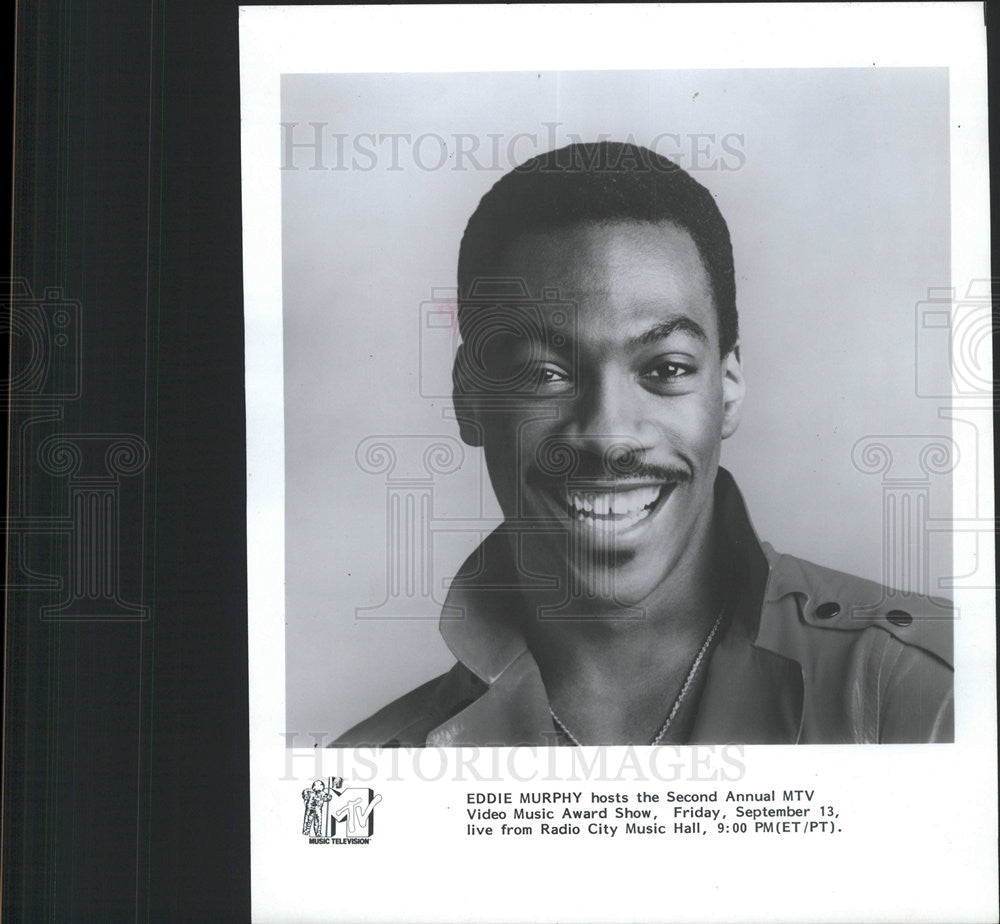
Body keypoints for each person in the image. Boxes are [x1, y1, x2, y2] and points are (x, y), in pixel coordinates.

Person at [334, 141, 953, 747]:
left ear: (729, 385)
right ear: (469, 397)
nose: (610, 437)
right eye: (545, 373)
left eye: (666, 368)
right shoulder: (370, 778)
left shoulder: (930, 696)